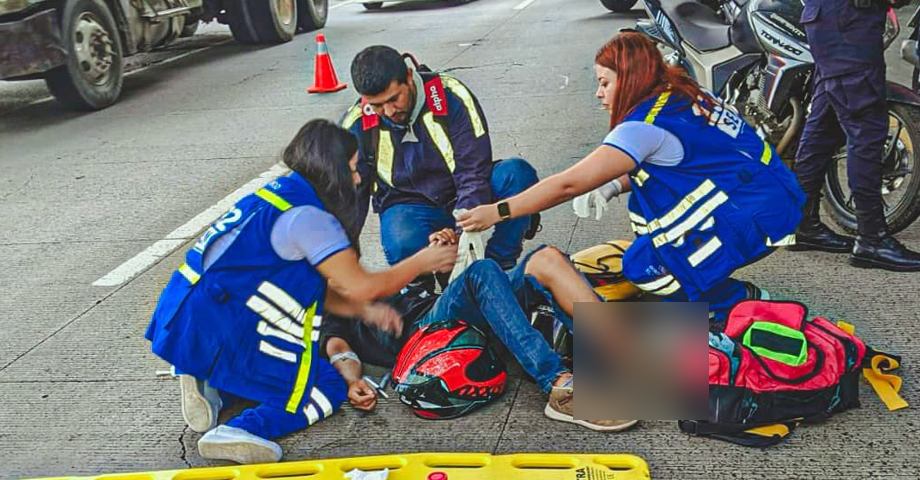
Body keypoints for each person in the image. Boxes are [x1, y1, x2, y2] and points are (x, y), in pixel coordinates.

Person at [145, 120, 456, 465]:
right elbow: (363, 284)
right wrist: (422, 261)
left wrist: (363, 311)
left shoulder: (278, 194)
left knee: (283, 366)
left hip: (190, 318)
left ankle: (211, 383)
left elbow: (306, 287)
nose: (357, 180)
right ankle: (241, 430)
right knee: (325, 384)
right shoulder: (308, 218)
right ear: (334, 170)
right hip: (223, 323)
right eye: (352, 170)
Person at [457, 33, 805, 323]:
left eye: (605, 83)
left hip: (751, 219)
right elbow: (683, 163)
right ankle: (717, 295)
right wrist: (615, 184)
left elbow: (568, 183)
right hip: (773, 203)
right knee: (654, 256)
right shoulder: (684, 95)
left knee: (642, 264)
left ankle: (735, 303)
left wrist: (499, 211)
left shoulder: (642, 127)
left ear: (631, 79)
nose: (599, 93)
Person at [322, 228, 638, 432]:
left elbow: (438, 287)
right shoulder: (330, 307)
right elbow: (339, 349)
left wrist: (446, 248)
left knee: (545, 258)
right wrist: (352, 381)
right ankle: (559, 387)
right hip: (428, 340)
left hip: (451, 316)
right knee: (482, 271)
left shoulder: (374, 281)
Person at [340, 45, 540, 287]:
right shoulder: (358, 122)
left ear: (409, 77)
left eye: (394, 99)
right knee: (401, 240)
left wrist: (461, 232)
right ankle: (422, 293)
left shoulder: (450, 96)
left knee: (517, 175)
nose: (389, 111)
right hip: (408, 204)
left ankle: (499, 268)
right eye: (378, 105)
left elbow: (474, 170)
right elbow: (351, 199)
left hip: (462, 192)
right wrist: (342, 266)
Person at [791, 0, 920, 271]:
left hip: (835, 21)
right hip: (848, 22)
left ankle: (801, 224)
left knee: (824, 126)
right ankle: (872, 239)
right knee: (867, 128)